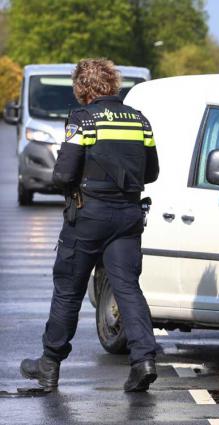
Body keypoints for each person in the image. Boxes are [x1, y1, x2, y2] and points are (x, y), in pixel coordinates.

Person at [20, 59, 160, 392]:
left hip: (88, 217)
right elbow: (152, 173)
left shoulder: (83, 120)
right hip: (127, 216)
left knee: (68, 290)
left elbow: (64, 174)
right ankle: (143, 361)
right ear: (113, 84)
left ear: (82, 87)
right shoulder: (139, 121)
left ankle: (49, 365)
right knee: (127, 288)